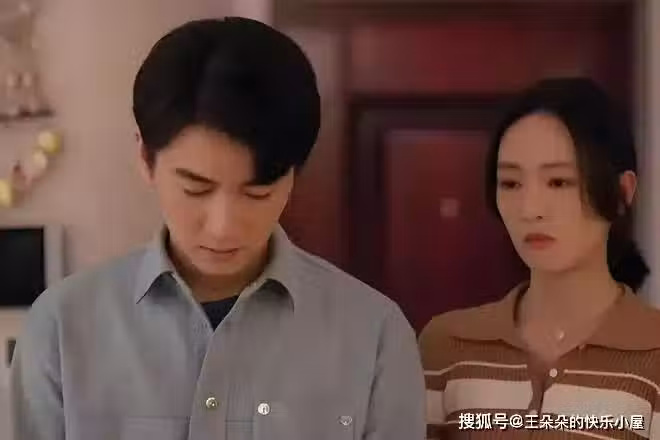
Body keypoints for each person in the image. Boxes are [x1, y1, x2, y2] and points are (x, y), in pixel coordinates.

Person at [10, 17, 425, 440]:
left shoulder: (374, 335)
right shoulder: (61, 329)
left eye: (258, 193)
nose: (223, 227)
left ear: (294, 174)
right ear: (145, 158)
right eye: (196, 188)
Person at [419, 77, 660, 439]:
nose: (530, 209)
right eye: (511, 183)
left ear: (622, 192)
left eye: (559, 182)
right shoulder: (446, 345)